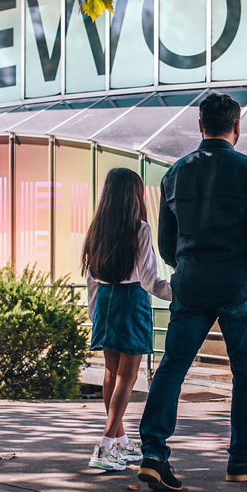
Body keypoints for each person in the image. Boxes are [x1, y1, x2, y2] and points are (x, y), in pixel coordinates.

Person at [138, 92, 247, 492]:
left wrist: (187, 266)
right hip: (238, 283)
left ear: (200, 126)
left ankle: (153, 454)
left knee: (173, 368)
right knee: (246, 376)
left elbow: (167, 245)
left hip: (191, 284)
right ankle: (240, 460)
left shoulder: (174, 174)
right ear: (237, 127)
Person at [82, 167, 172, 471]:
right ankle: (105, 446)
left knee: (111, 373)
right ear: (133, 195)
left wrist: (95, 315)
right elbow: (149, 281)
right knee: (128, 377)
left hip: (105, 303)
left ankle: (120, 441)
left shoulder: (97, 229)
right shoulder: (140, 228)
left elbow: (91, 279)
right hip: (132, 301)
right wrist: (176, 292)